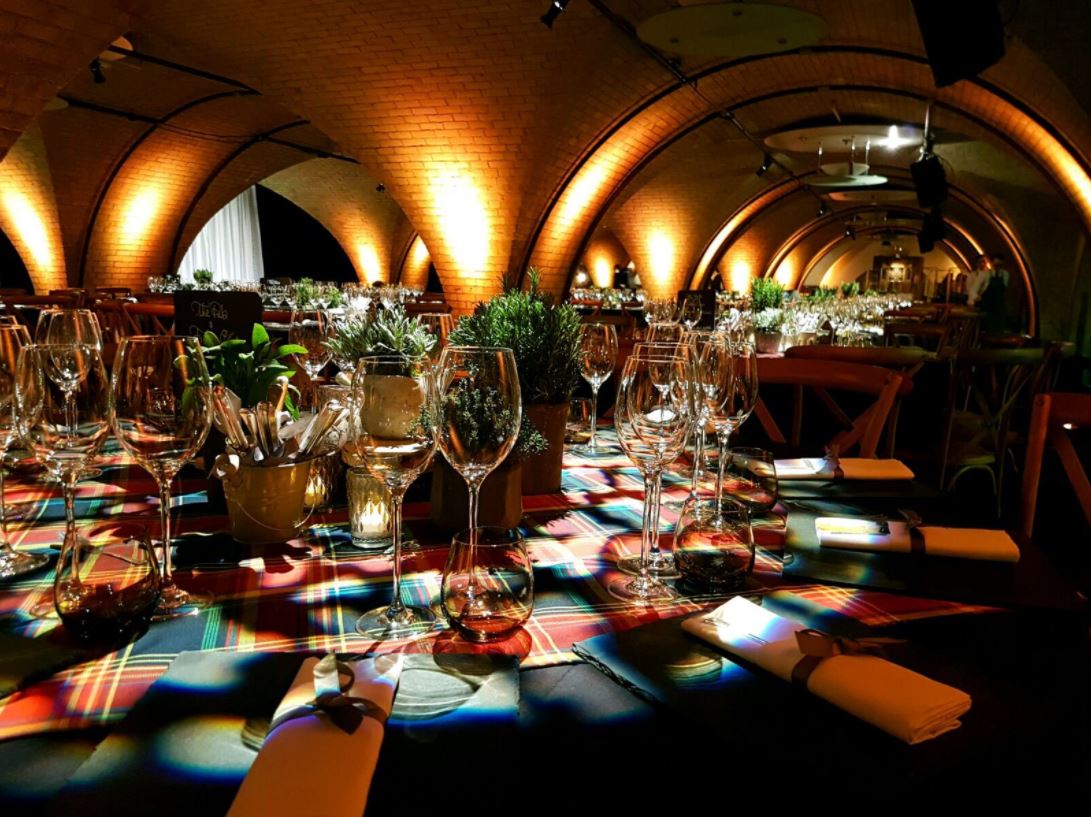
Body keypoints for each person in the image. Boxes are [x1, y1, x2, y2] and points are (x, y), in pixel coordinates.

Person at [978, 254, 1010, 333]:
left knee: (998, 328)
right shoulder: (985, 274)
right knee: (986, 328)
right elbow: (979, 289)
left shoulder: (1005, 274)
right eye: (996, 265)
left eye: (1000, 265)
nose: (997, 267)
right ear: (992, 263)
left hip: (999, 306)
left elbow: (1004, 288)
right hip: (987, 305)